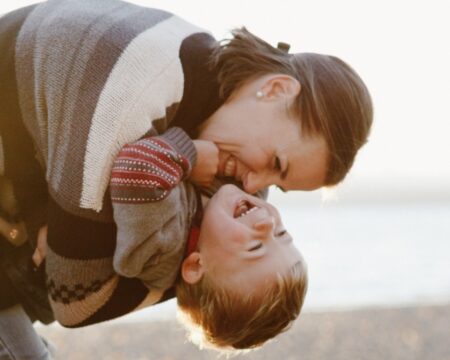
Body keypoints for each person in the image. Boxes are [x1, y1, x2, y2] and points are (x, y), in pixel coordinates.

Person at [0, 0, 373, 357]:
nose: (256, 187)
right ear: (275, 89)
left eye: (278, 184)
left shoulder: (210, 88)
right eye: (276, 162)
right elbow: (76, 300)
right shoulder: (134, 87)